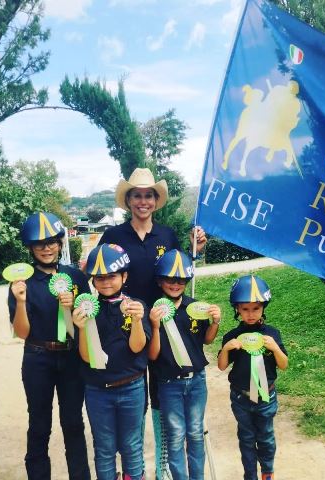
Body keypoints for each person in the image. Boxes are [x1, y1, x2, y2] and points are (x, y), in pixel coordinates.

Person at [99, 167, 207, 479]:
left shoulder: (168, 235)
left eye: (149, 195)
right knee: (133, 397)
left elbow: (176, 271)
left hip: (164, 329)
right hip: (127, 329)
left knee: (163, 397)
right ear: (128, 200)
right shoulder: (113, 236)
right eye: (137, 195)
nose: (143, 201)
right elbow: (101, 274)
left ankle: (162, 468)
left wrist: (195, 250)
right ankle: (129, 469)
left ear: (156, 201)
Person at [8, 212, 91, 480]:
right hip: (38, 358)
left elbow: (89, 321)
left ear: (59, 243)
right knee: (39, 425)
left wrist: (74, 312)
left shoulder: (76, 278)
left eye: (52, 241)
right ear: (31, 247)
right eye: (40, 243)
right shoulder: (23, 283)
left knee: (73, 424)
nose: (47, 248)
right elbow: (21, 332)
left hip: (71, 360)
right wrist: (20, 301)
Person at [72, 243, 151, 480]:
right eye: (99, 278)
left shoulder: (136, 306)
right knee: (104, 449)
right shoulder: (86, 309)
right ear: (92, 281)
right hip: (98, 391)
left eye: (112, 276)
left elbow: (137, 347)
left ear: (124, 276)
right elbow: (87, 357)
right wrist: (82, 328)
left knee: (132, 446)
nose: (106, 282)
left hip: (132, 387)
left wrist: (137, 321)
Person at [148, 249, 221, 480]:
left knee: (196, 434)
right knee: (176, 435)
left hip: (197, 380)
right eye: (170, 279)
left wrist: (215, 322)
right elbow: (152, 355)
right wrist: (156, 326)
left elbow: (207, 340)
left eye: (180, 279)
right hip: (169, 383)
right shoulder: (153, 312)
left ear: (187, 280)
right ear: (160, 281)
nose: (175, 284)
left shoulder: (196, 307)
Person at [217, 275, 288, 480]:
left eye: (255, 308)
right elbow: (222, 367)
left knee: (266, 436)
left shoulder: (272, 334)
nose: (250, 314)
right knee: (246, 438)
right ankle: (250, 475)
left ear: (264, 307)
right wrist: (226, 349)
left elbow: (283, 365)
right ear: (237, 309)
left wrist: (275, 348)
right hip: (240, 398)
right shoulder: (232, 336)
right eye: (245, 309)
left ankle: (267, 472)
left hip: (267, 395)